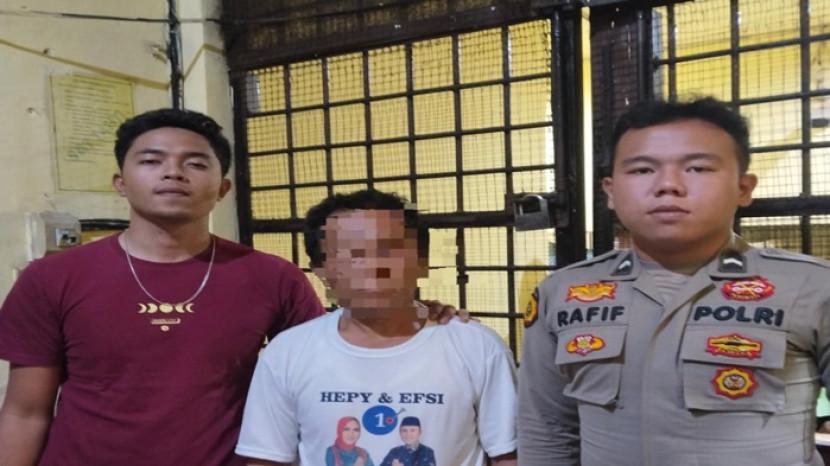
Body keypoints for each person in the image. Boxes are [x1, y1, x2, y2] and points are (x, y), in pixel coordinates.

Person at [0, 109, 457, 466]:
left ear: (222, 188)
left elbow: (330, 361)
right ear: (121, 183)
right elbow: (25, 412)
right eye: (151, 161)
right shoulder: (52, 277)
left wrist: (420, 316)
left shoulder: (271, 276)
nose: (173, 173)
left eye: (195, 163)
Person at [518, 97, 830, 466]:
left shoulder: (810, 287)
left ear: (743, 188)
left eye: (697, 168)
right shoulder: (562, 293)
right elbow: (548, 432)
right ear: (611, 191)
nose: (668, 185)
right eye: (642, 170)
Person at [235, 190, 517, 466]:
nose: (373, 268)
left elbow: (508, 455)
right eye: (353, 254)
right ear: (321, 270)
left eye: (388, 250)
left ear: (421, 262)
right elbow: (267, 459)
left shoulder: (478, 347)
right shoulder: (286, 353)